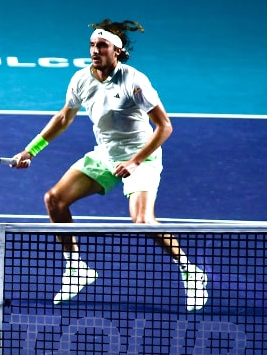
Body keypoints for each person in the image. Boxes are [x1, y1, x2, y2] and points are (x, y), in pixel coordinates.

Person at [11, 19, 208, 311]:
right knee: (55, 200)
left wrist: (135, 160)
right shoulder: (81, 79)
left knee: (142, 222)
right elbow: (64, 117)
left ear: (117, 51)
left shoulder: (134, 80)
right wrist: (31, 150)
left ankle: (192, 273)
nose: (95, 50)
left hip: (142, 156)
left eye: (101, 46)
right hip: (106, 155)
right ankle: (77, 268)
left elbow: (165, 127)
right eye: (92, 45)